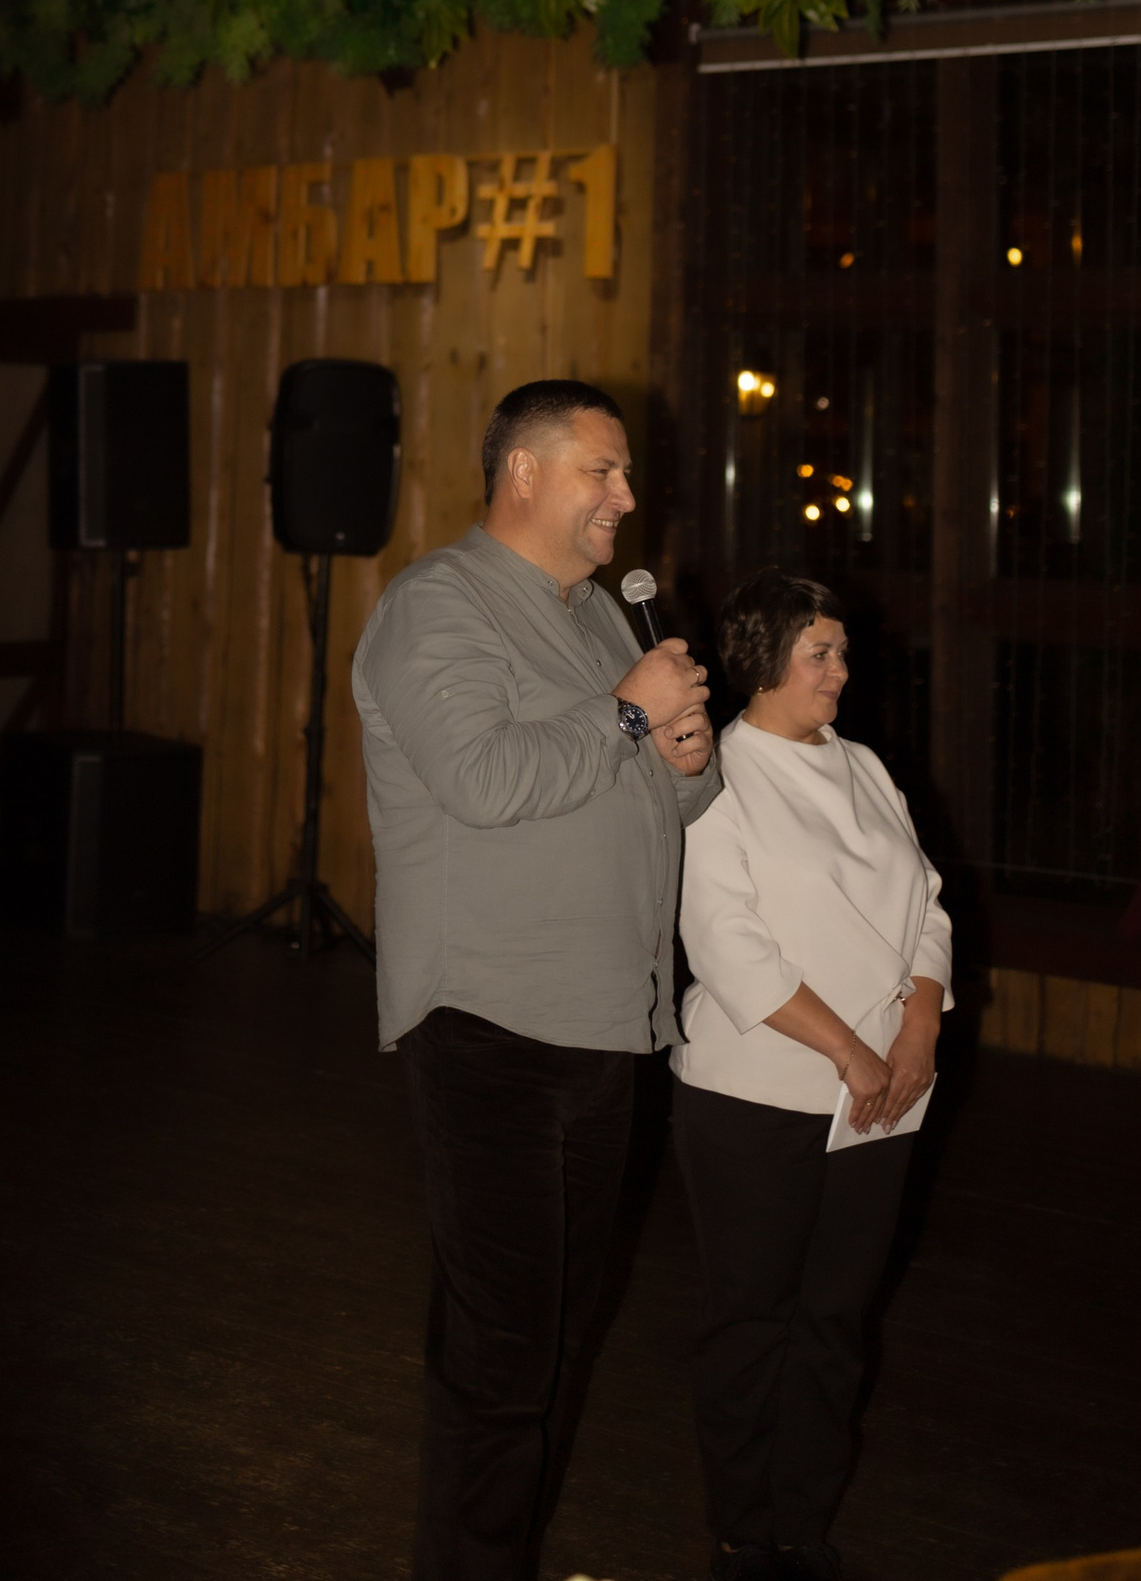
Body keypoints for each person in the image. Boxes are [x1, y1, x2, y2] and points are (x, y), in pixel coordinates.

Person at [352, 378, 719, 1581]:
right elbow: (484, 779)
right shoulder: (438, 604)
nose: (626, 496)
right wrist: (628, 716)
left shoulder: (602, 615)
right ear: (523, 472)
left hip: (606, 1023)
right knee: (504, 1356)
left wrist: (687, 763)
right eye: (601, 471)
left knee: (550, 1337)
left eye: (625, 473)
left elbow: (656, 805)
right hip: (490, 1025)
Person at [671, 569, 952, 1581]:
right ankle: (744, 1533)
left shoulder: (864, 764)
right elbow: (727, 945)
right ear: (761, 658)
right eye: (819, 653)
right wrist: (849, 1049)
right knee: (752, 1322)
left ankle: (804, 1527)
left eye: (841, 653)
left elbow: (927, 901)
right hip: (757, 1095)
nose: (840, 671)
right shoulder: (714, 772)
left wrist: (919, 1025)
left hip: (886, 1096)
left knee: (835, 1323)